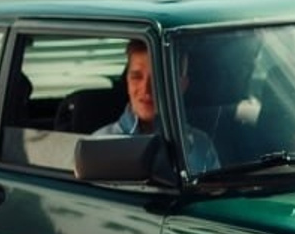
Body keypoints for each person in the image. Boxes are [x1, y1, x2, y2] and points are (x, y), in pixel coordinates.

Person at [94, 39, 219, 173]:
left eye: (158, 78)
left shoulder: (201, 146)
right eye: (136, 77)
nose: (146, 89)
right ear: (127, 81)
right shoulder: (99, 145)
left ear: (181, 86)